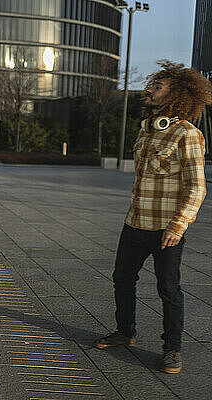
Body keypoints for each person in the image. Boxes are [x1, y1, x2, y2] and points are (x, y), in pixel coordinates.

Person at [94, 61, 211, 374]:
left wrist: (178, 225)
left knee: (168, 289)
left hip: (165, 229)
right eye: (150, 85)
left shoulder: (187, 134)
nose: (148, 90)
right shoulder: (147, 131)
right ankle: (125, 332)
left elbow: (197, 188)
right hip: (134, 222)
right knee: (122, 279)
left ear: (176, 95)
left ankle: (172, 350)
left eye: (156, 87)